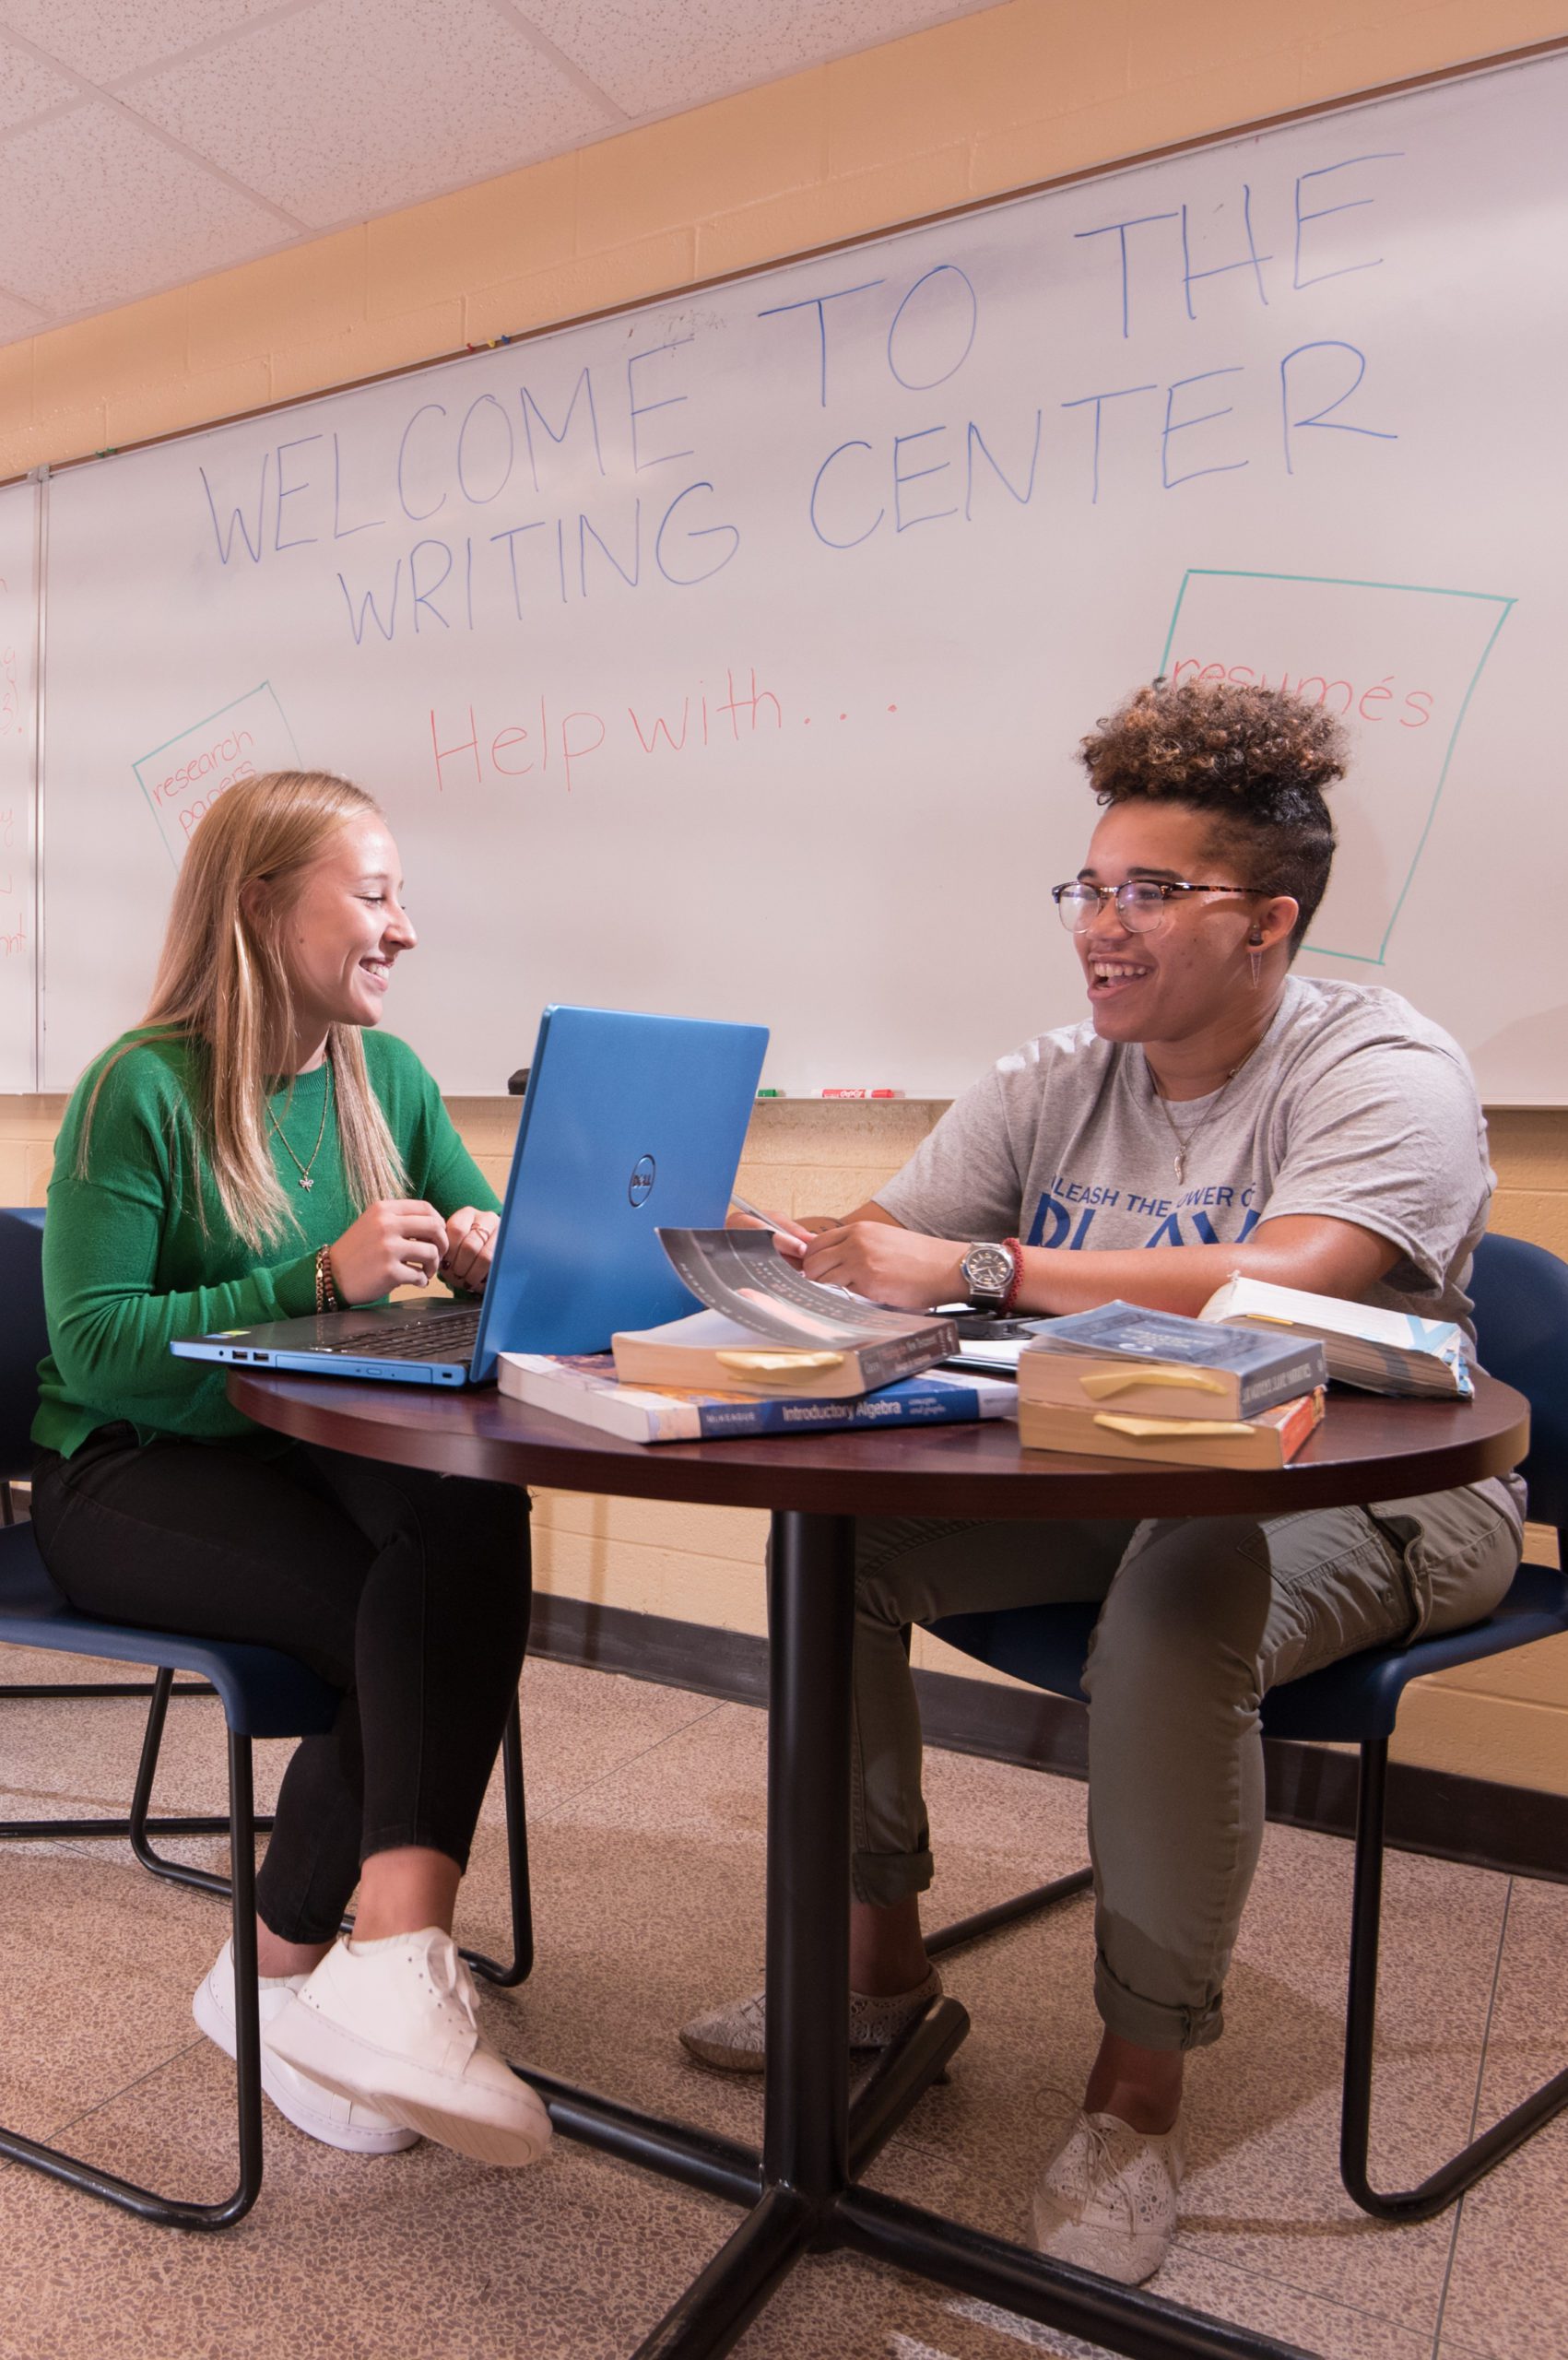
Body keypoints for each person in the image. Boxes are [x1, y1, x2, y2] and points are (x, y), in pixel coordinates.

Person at [679, 677, 1523, 2283]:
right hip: (1129, 1461)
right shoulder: (1053, 1074)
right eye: (1089, 887)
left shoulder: (1385, 1068)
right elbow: (903, 1257)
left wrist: (981, 1264)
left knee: (1175, 1602)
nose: (1101, 926)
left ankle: (1136, 2093)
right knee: (832, 1540)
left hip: (1367, 1483)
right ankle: (876, 1975)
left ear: (1269, 921)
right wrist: (810, 1254)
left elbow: (1284, 1285)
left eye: (1150, 893)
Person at [29, 769, 550, 2170]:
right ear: (263, 907)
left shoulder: (381, 1076)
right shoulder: (140, 1088)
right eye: (374, 894)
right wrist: (311, 1275)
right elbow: (93, 1342)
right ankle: (293, 1979)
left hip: (310, 1447)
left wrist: (493, 1246)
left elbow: (479, 1219)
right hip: (132, 1465)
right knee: (406, 1627)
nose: (405, 929)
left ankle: (342, 1970)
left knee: (465, 1514)